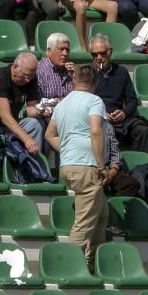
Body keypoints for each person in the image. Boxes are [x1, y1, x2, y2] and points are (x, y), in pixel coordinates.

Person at [44, 64, 109, 271]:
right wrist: (101, 165)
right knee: (83, 224)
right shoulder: (95, 100)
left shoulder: (63, 104)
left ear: (74, 81)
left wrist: (67, 150)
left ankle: (91, 264)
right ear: (95, 83)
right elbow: (96, 131)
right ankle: (69, 270)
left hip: (68, 165)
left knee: (101, 214)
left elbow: (49, 134)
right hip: (87, 166)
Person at [90, 34, 148, 151]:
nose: (98, 57)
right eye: (94, 54)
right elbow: (84, 103)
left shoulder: (121, 72)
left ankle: (140, 167)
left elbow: (132, 100)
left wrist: (124, 113)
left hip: (120, 119)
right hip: (98, 119)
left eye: (102, 53)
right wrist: (102, 114)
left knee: (143, 131)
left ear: (110, 52)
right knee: (103, 130)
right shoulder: (88, 74)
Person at [36, 33, 76, 104]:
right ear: (49, 51)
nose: (65, 53)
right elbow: (38, 102)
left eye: (67, 50)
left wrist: (75, 79)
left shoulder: (72, 71)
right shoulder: (39, 71)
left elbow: (81, 99)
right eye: (61, 49)